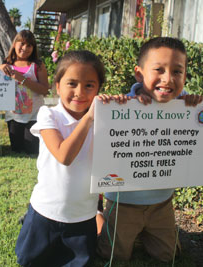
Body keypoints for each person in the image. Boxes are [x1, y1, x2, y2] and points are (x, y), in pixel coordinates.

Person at [15, 50, 129, 266]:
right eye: (72, 83)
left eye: (89, 85)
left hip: (81, 216)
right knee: (28, 260)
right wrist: (89, 119)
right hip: (46, 211)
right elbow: (63, 155)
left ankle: (97, 219)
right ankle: (28, 220)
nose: (80, 92)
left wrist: (123, 109)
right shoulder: (48, 115)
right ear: (57, 86)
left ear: (98, 89)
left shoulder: (104, 119)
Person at [96, 37, 203, 262]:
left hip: (162, 203)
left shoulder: (185, 107)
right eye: (159, 70)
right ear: (139, 74)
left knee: (168, 256)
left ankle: (145, 233)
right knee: (114, 256)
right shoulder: (124, 105)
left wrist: (193, 105)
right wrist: (116, 102)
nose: (168, 79)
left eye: (177, 71)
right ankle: (100, 218)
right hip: (124, 203)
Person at [0, 30, 49, 154]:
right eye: (22, 43)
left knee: (32, 149)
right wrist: (0, 68)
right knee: (16, 149)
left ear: (33, 48)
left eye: (29, 45)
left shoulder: (37, 65)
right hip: (14, 115)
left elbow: (44, 90)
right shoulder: (7, 64)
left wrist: (22, 79)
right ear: (15, 44)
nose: (25, 48)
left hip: (33, 115)